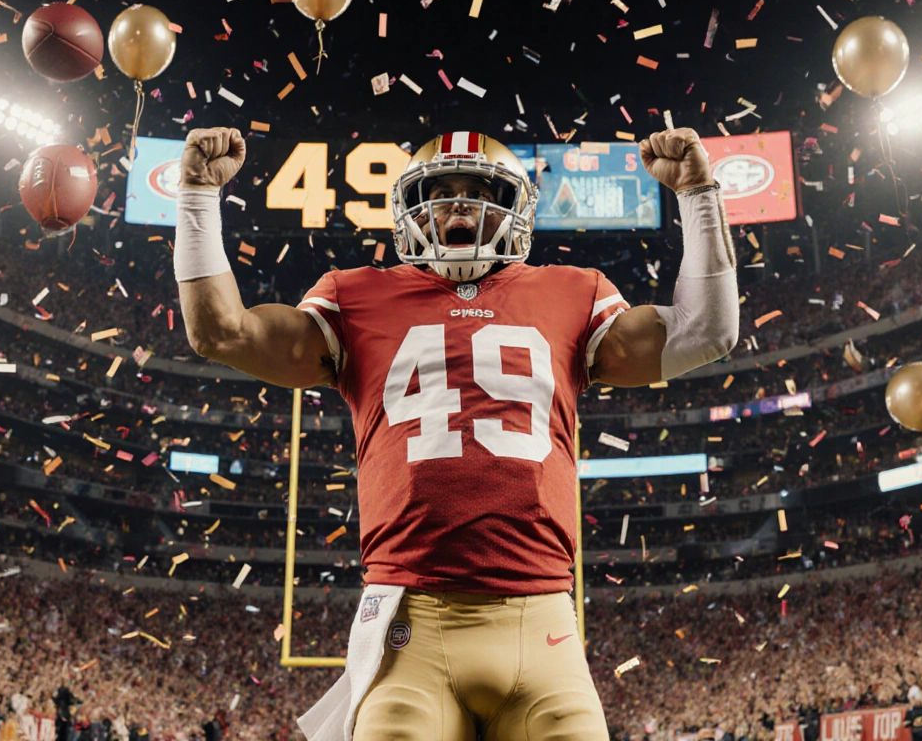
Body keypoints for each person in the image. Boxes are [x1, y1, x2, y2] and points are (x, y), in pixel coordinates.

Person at [175, 126, 738, 740]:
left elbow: (706, 332)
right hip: (408, 626)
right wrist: (198, 197)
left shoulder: (575, 292)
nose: (461, 205)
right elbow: (221, 333)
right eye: (442, 191)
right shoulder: (355, 294)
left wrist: (699, 195)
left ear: (518, 207)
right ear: (410, 209)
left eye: (480, 190)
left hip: (543, 621)